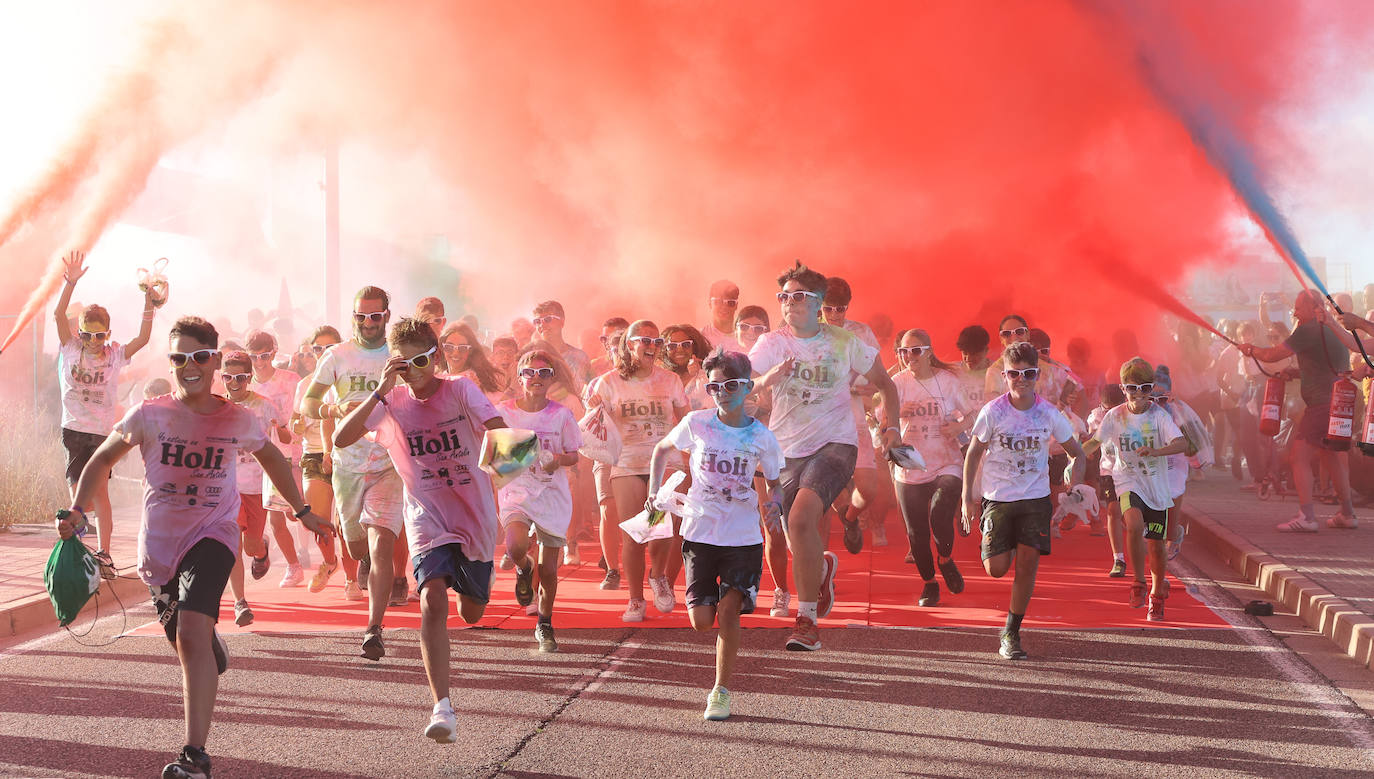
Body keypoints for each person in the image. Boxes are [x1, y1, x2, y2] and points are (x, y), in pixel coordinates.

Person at [57, 316, 331, 778]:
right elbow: (101, 457)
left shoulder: (236, 417)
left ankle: (195, 756)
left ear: (215, 362)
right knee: (186, 642)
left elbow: (271, 460)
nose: (189, 366)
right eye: (178, 357)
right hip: (159, 550)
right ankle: (210, 646)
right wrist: (78, 512)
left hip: (214, 533)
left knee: (189, 636)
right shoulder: (149, 413)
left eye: (199, 357)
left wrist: (303, 511)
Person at [333, 316, 507, 743]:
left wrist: (505, 487)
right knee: (430, 596)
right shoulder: (390, 401)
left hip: (475, 515)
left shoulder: (461, 389)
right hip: (426, 514)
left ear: (437, 355)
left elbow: (503, 432)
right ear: (396, 364)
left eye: (425, 359)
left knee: (471, 612)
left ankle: (479, 582)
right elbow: (341, 437)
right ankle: (442, 707)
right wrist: (379, 388)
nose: (419, 369)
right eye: (408, 363)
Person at [749, 262, 900, 651]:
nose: (790, 304)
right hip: (786, 449)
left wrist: (892, 428)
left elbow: (886, 384)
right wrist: (762, 383)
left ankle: (807, 622)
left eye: (799, 296)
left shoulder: (845, 342)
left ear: (818, 303)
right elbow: (745, 381)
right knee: (794, 532)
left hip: (836, 444)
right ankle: (822, 571)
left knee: (801, 518)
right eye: (784, 297)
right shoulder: (772, 344)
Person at [648, 348, 783, 721]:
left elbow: (775, 482)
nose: (724, 392)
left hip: (743, 537)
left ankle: (720, 691)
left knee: (729, 612)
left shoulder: (762, 437)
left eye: (732, 385)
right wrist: (653, 491)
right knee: (702, 621)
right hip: (700, 533)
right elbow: (661, 450)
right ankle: (725, 607)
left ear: (747, 387)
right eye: (715, 386)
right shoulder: (697, 423)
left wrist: (776, 504)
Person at [302, 286, 410, 660]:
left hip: (388, 463)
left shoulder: (398, 354)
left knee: (382, 542)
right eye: (360, 316)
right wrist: (334, 412)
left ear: (386, 316)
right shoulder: (337, 355)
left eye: (375, 316)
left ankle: (374, 629)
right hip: (347, 464)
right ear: (353, 317)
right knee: (357, 545)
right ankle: (360, 561)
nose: (367, 323)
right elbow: (309, 402)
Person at [962, 342, 1086, 660]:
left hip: (1035, 498)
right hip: (998, 498)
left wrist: (1076, 484)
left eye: (1029, 373)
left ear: (1037, 376)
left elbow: (1078, 452)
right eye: (1015, 374)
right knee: (996, 568)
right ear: (1005, 376)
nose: (1022, 380)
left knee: (1027, 565)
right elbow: (974, 453)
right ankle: (1004, 542)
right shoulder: (993, 412)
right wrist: (967, 499)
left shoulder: (1048, 413)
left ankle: (1012, 633)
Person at [53, 249, 157, 575]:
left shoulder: (115, 354)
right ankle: (80, 543)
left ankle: (105, 553)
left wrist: (149, 302)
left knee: (99, 492)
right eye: (87, 335)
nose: (93, 341)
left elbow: (143, 337)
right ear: (79, 333)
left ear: (108, 334)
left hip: (102, 432)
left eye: (99, 335)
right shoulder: (69, 348)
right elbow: (58, 316)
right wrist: (69, 283)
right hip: (73, 428)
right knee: (76, 494)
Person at [586, 320, 689, 621]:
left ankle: (658, 576)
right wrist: (593, 406)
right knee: (633, 532)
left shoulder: (670, 380)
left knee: (661, 529)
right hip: (627, 462)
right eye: (644, 340)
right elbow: (593, 422)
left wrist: (693, 454)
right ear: (629, 345)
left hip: (665, 463)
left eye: (656, 341)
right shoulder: (608, 382)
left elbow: (685, 420)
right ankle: (635, 599)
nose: (651, 346)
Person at [1242, 290, 1359, 531]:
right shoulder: (1331, 329)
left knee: (1298, 456)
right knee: (1330, 455)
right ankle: (1347, 514)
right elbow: (1325, 365)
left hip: (1321, 403)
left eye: (1298, 307)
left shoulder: (1308, 329)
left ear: (1312, 307)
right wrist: (1296, 373)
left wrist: (1252, 350)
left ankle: (1307, 517)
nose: (1294, 312)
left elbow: (1274, 354)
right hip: (1338, 403)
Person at [1081, 359, 1187, 622]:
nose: (1138, 395)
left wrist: (1157, 451)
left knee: (1156, 547)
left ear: (1151, 389)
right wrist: (1075, 460)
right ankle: (1139, 583)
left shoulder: (1159, 416)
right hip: (1127, 480)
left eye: (1145, 388)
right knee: (1134, 523)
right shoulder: (1115, 416)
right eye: (1131, 389)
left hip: (1156, 487)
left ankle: (1156, 594)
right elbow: (1095, 441)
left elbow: (1181, 443)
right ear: (1122, 388)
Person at [496, 349, 582, 651]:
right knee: (515, 545)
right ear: (519, 377)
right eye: (530, 372)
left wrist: (557, 460)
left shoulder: (561, 414)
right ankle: (523, 567)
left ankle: (544, 623)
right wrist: (511, 459)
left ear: (551, 379)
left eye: (543, 373)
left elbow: (574, 453)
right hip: (516, 491)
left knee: (550, 569)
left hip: (552, 495)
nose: (536, 378)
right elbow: (493, 452)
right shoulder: (504, 411)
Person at [891, 329, 976, 607]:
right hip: (909, 459)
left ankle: (946, 559)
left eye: (915, 351)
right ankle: (929, 583)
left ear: (928, 352)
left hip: (945, 459)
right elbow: (880, 421)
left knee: (940, 513)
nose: (909, 357)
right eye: (903, 352)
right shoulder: (897, 383)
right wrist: (893, 421)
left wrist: (959, 426)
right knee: (916, 532)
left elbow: (974, 413)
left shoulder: (948, 382)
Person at [218, 351, 293, 626]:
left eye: (240, 377)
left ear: (249, 378)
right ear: (222, 377)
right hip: (227, 489)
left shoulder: (264, 405)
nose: (234, 382)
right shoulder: (216, 407)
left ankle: (261, 548)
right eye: (228, 377)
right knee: (232, 543)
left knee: (249, 547)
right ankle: (240, 602)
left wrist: (280, 429)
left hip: (256, 486)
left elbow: (286, 434)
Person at [820, 276, 893, 553]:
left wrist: (857, 388)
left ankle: (850, 518)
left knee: (868, 489)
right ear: (819, 306)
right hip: (816, 422)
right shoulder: (807, 332)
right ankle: (820, 571)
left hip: (853, 418)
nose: (835, 315)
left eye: (841, 309)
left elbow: (881, 380)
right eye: (828, 308)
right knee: (825, 489)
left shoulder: (861, 333)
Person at [733, 305, 788, 616]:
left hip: (769, 458)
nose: (751, 334)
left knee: (772, 525)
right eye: (745, 327)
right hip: (732, 458)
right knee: (737, 527)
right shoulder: (727, 364)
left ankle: (781, 589)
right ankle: (742, 588)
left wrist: (760, 403)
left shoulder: (779, 364)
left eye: (758, 329)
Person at [245, 329, 307, 586]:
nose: (260, 362)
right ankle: (294, 566)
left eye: (265, 355)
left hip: (296, 452)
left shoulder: (291, 379)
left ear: (273, 352)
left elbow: (304, 409)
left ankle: (330, 556)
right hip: (265, 458)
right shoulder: (246, 386)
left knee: (299, 513)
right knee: (275, 517)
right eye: (255, 357)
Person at [294, 325, 350, 595]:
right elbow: (295, 422)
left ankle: (352, 579)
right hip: (313, 455)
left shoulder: (348, 379)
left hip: (345, 455)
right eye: (317, 349)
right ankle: (330, 563)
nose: (323, 353)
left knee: (346, 524)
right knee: (317, 519)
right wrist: (293, 426)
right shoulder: (304, 386)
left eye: (330, 348)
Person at [532, 300, 591, 389]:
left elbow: (592, 388)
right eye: (537, 321)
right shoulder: (532, 359)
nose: (542, 324)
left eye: (548, 319)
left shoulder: (580, 357)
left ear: (562, 322)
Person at [701, 279, 743, 352]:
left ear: (736, 305)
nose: (724, 307)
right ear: (710, 303)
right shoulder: (701, 337)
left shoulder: (746, 337)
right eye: (718, 301)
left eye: (730, 302)